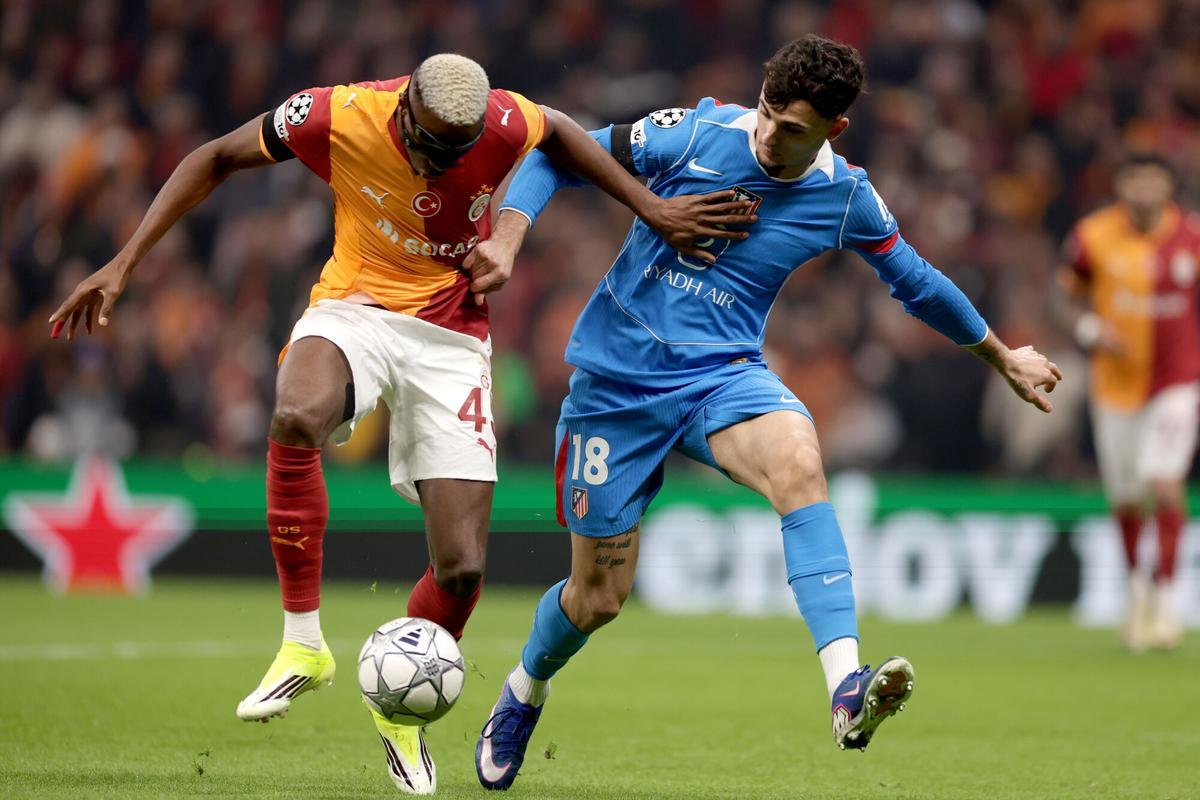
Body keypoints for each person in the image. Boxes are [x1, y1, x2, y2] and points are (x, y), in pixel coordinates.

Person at [47, 53, 751, 795]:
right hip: (355, 307)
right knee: (294, 413)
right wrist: (123, 264)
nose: (438, 163)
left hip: (452, 336)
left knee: (463, 568)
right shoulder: (335, 115)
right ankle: (302, 643)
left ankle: (400, 716)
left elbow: (565, 135)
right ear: (406, 109)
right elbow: (214, 156)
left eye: (456, 153)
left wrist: (646, 208)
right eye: (429, 145)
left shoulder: (504, 118)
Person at [464, 35, 1063, 789]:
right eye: (770, 113)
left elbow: (914, 280)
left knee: (799, 463)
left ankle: (846, 689)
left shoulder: (844, 195)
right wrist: (513, 239)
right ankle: (524, 690)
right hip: (615, 388)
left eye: (792, 128)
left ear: (834, 132)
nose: (770, 135)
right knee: (597, 599)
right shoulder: (697, 132)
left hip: (724, 378)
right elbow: (557, 149)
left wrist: (1002, 355)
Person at [1059, 153, 1200, 652]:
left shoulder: (1191, 239)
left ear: (1167, 185)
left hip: (1176, 384)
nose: (1145, 188)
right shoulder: (1093, 236)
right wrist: (1091, 329)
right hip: (1115, 388)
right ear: (1122, 185)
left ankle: (1166, 601)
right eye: (1135, 178)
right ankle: (1136, 590)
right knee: (1125, 498)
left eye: (1154, 179)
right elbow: (1066, 296)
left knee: (1164, 484)